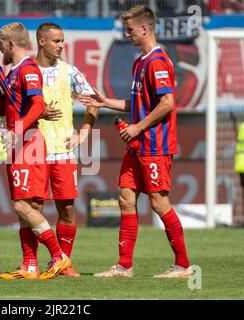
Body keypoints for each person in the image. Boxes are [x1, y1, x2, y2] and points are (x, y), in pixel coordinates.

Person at [80, 5, 193, 278]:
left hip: (155, 144)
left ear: (144, 28)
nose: (127, 34)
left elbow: (167, 103)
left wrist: (139, 127)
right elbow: (139, 103)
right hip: (139, 143)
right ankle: (124, 266)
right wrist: (106, 101)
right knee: (125, 197)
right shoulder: (139, 62)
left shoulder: (157, 61)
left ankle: (183, 265)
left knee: (158, 201)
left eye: (130, 30)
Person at [0, 22, 71, 280]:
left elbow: (38, 105)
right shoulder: (13, 71)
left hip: (28, 142)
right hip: (18, 143)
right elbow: (5, 108)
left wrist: (17, 130)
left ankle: (58, 256)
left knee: (21, 206)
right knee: (28, 206)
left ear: (11, 44)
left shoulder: (28, 68)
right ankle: (30, 266)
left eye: (0, 42)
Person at [26, 22, 98, 277]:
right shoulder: (25, 70)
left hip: (64, 152)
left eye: (63, 41)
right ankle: (30, 264)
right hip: (32, 152)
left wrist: (85, 132)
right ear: (42, 41)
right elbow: (10, 106)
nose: (61, 46)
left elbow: (93, 101)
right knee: (32, 208)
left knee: (66, 209)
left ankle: (63, 262)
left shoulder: (70, 72)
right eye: (56, 41)